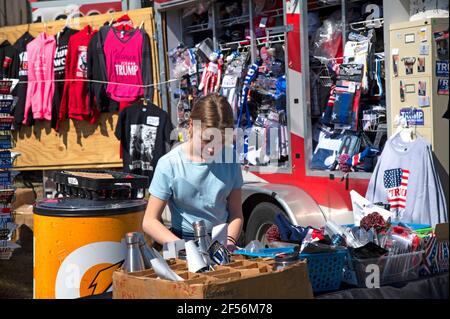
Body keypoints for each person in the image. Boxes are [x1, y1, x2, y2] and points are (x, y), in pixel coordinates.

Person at [143, 94, 244, 250]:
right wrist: (184, 249)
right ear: (191, 125)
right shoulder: (169, 164)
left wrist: (229, 242)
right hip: (180, 243)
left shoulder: (230, 161)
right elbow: (150, 221)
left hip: (222, 242)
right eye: (205, 140)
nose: (212, 148)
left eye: (221, 141)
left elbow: (236, 213)